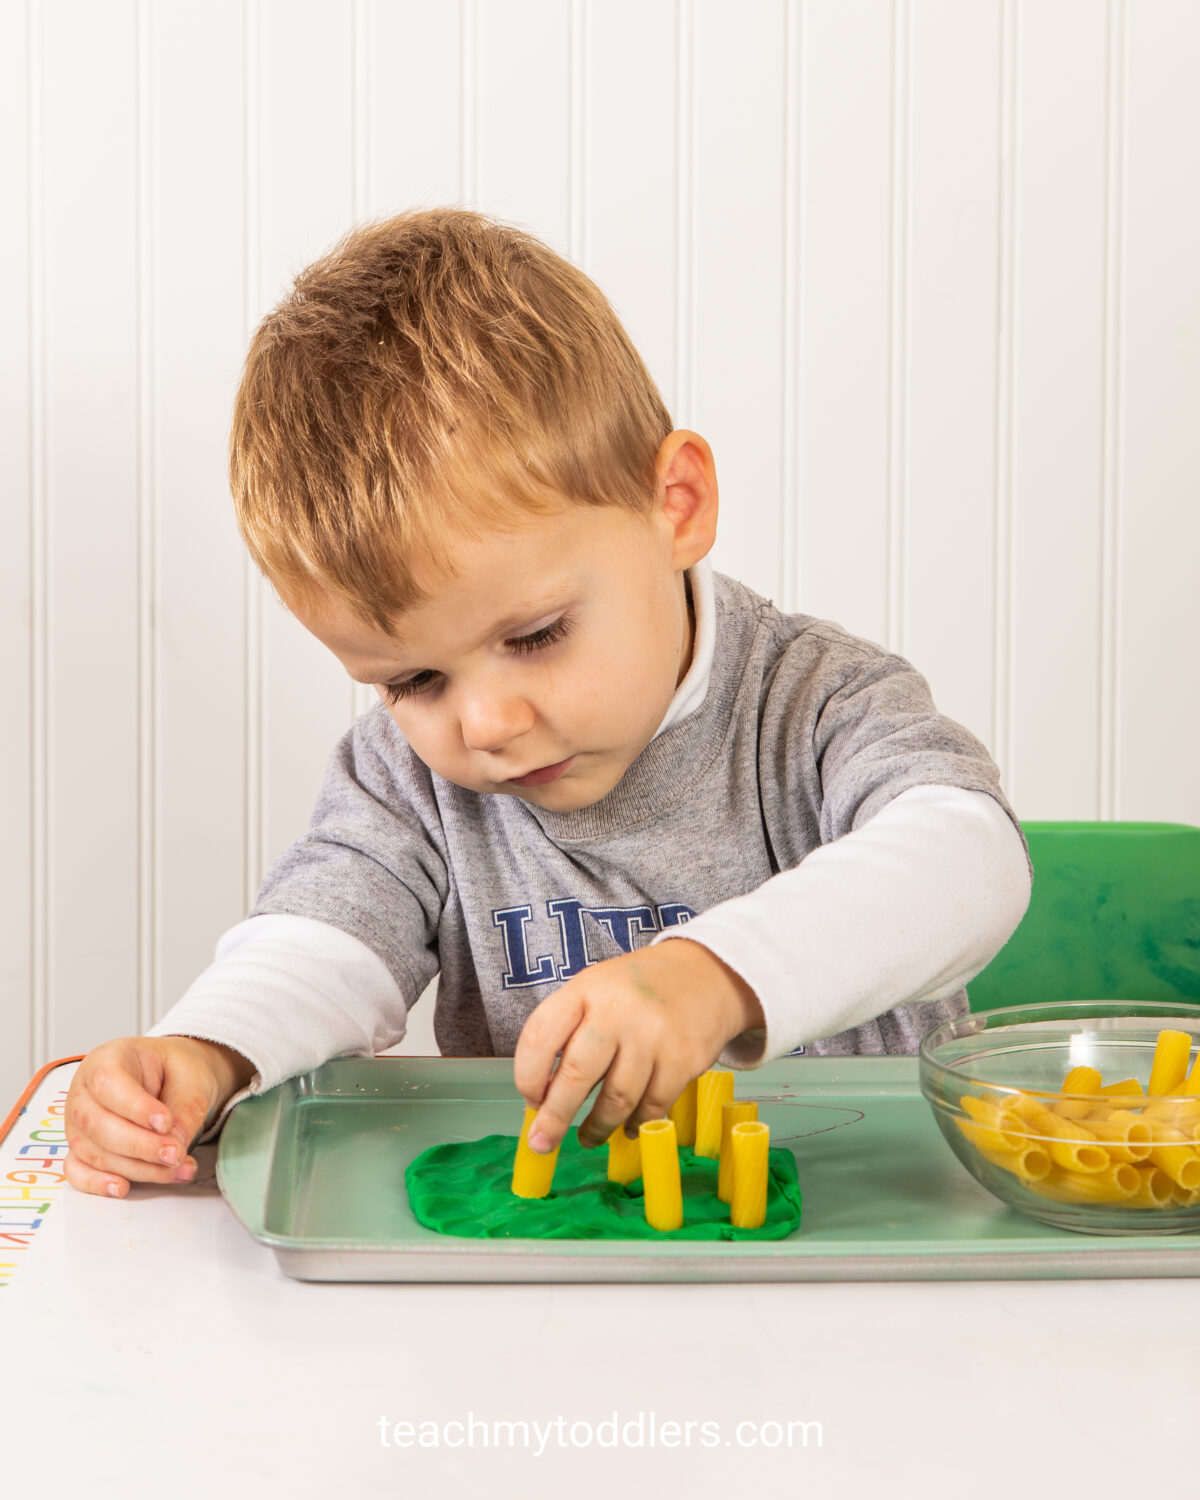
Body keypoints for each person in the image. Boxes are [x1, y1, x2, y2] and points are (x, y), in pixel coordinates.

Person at [63, 207, 1032, 1199]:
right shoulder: (403, 782)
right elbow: (324, 942)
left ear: (676, 508)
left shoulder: (816, 703)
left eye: (533, 638)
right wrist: (210, 1047)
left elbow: (969, 862)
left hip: (871, 1240)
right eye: (412, 682)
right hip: (548, 1272)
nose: (484, 726)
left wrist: (712, 976)